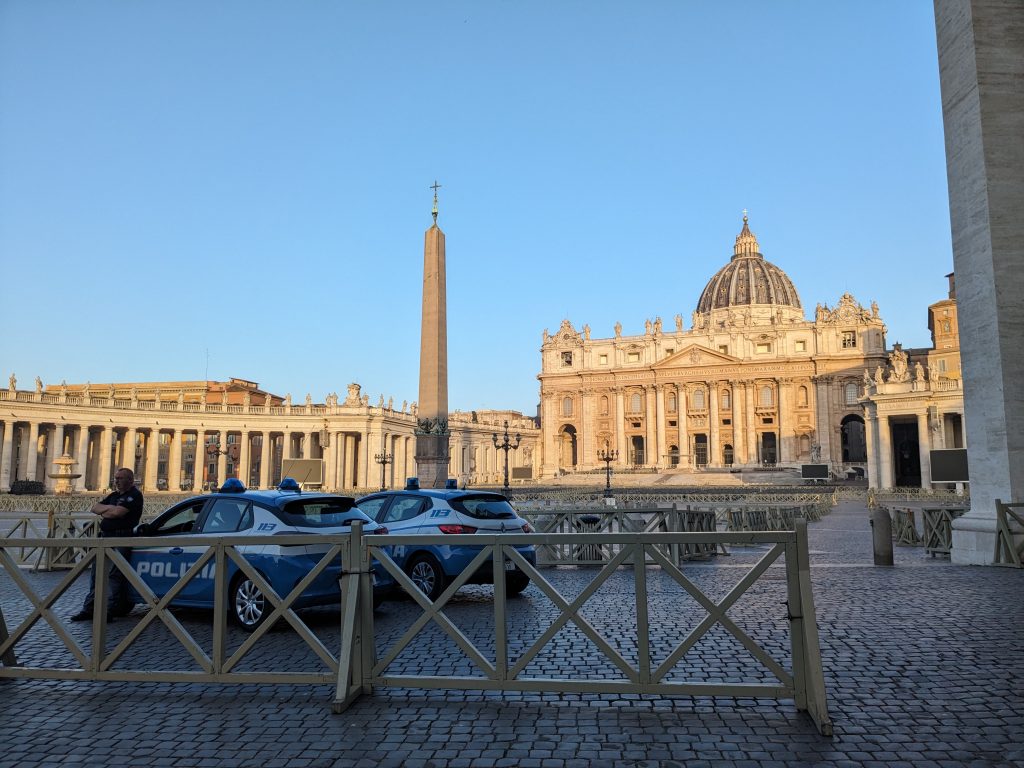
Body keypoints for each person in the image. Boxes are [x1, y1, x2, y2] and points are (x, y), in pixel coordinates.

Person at [70, 467, 144, 621]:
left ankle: (109, 611)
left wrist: (107, 511)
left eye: (120, 478)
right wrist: (110, 509)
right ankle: (89, 609)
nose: (116, 481)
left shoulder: (135, 495)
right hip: (104, 538)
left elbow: (117, 513)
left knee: (113, 576)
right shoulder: (114, 495)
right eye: (115, 478)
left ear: (130, 480)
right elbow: (94, 508)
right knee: (96, 574)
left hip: (121, 539)